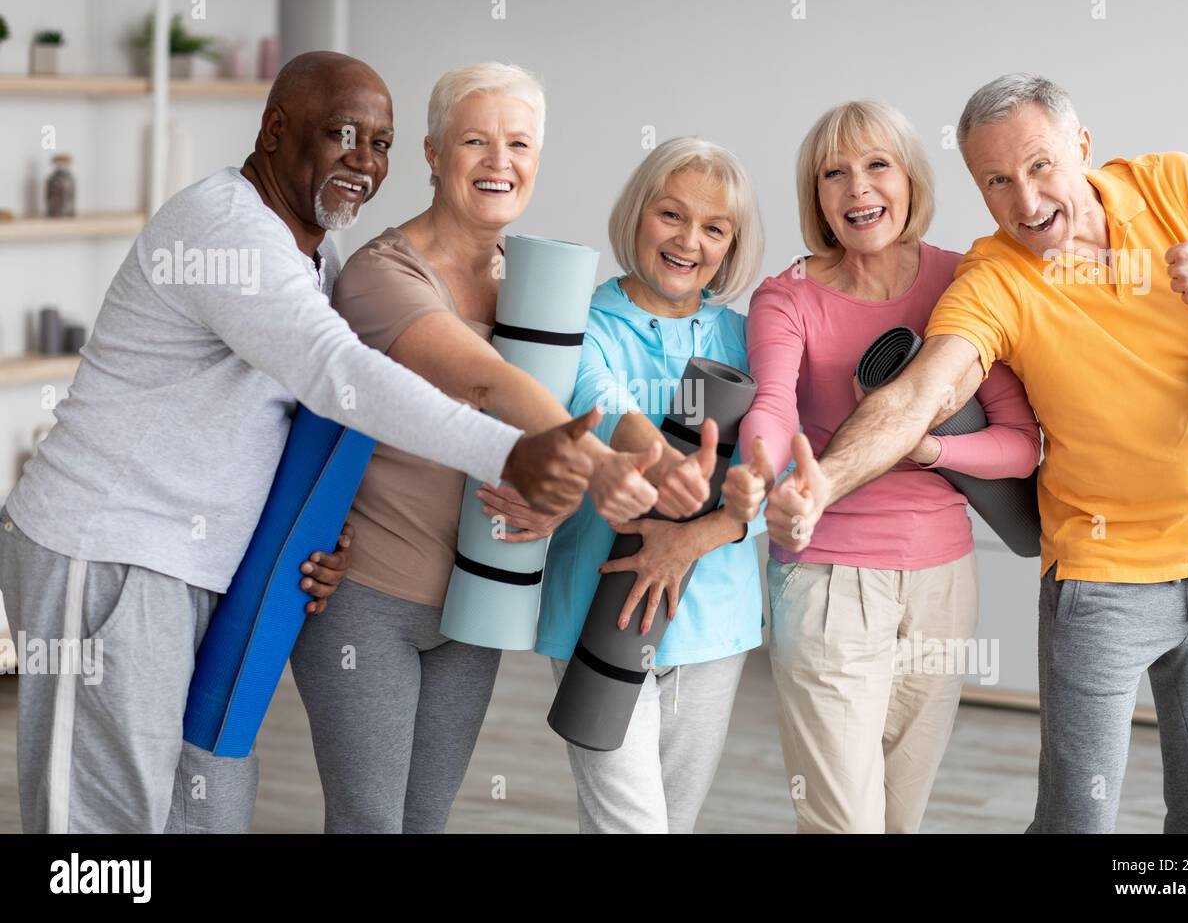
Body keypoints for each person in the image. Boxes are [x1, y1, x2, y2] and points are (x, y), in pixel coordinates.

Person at [0, 52, 612, 835]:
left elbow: (293, 425)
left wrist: (325, 532)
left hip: (207, 563)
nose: (364, 161)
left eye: (380, 144)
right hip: (111, 547)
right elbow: (339, 375)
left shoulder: (316, 253)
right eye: (341, 135)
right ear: (274, 130)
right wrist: (510, 452)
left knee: (203, 806)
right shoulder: (226, 232)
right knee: (103, 824)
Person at [753, 74, 1188, 833]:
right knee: (1076, 819)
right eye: (998, 182)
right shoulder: (994, 277)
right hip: (1101, 581)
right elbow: (920, 393)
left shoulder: (1179, 187)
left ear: (1082, 146)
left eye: (1040, 165)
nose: (1027, 201)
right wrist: (821, 484)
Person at [290, 62, 687, 833]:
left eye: (519, 144)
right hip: (366, 594)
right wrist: (595, 468)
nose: (499, 161)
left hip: (476, 602)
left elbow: (566, 409)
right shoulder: (380, 273)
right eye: (475, 141)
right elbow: (483, 382)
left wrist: (564, 494)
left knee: (426, 820)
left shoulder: (534, 286)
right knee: (369, 822)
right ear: (434, 152)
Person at [722, 100, 1040, 833]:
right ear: (817, 196)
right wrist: (770, 474)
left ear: (909, 178)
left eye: (876, 165)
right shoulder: (788, 296)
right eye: (834, 173)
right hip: (828, 580)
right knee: (843, 821)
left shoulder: (965, 279)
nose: (858, 188)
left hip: (942, 582)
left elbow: (1019, 442)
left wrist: (926, 447)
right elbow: (771, 404)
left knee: (901, 816)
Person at [512, 137, 766, 833]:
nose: (689, 241)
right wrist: (665, 466)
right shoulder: (582, 321)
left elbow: (770, 475)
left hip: (711, 622)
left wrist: (704, 528)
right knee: (632, 825)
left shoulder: (746, 340)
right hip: (598, 608)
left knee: (670, 823)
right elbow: (602, 403)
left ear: (731, 244)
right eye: (671, 215)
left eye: (714, 228)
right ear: (637, 214)